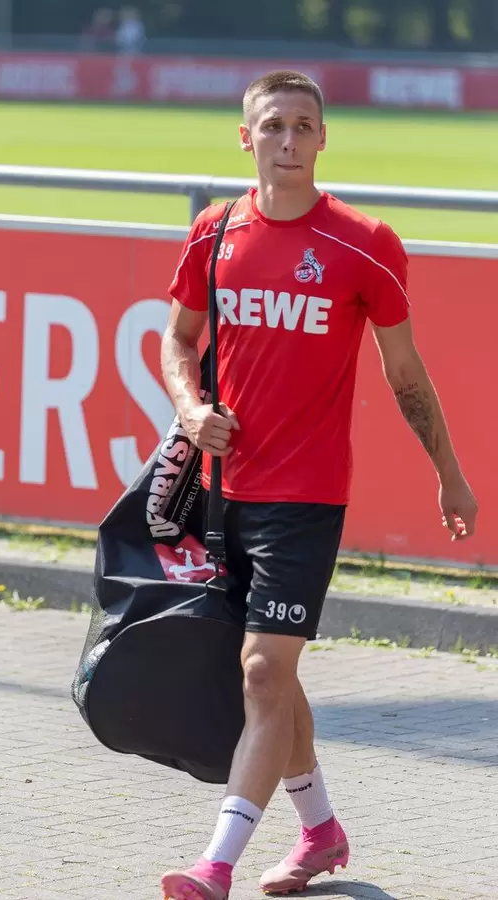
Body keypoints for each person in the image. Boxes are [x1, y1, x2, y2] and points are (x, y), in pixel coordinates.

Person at [159, 70, 478, 900]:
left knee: (263, 671)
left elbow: (406, 373)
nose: (289, 142)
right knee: (274, 673)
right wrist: (193, 411)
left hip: (307, 497)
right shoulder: (213, 231)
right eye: (273, 127)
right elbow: (178, 342)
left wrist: (450, 475)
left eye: (304, 127)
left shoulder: (365, 242)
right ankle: (322, 833)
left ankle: (214, 865)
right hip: (224, 489)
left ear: (324, 138)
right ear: (246, 137)